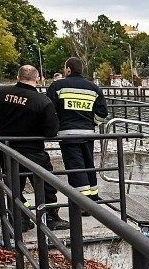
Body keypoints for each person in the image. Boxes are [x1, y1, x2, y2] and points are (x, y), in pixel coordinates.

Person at [0, 65, 70, 231]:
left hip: (5, 148)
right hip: (31, 149)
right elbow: (51, 131)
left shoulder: (1, 93)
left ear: (18, 77)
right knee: (45, 184)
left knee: (13, 184)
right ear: (38, 78)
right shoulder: (42, 101)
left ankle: (20, 218)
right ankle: (51, 217)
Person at [46, 57, 108, 204]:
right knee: (88, 164)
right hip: (88, 134)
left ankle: (83, 203)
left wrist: (53, 128)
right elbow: (102, 113)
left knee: (75, 168)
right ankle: (93, 196)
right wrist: (91, 123)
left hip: (67, 134)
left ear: (68, 69)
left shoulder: (57, 86)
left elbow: (48, 111)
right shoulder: (93, 88)